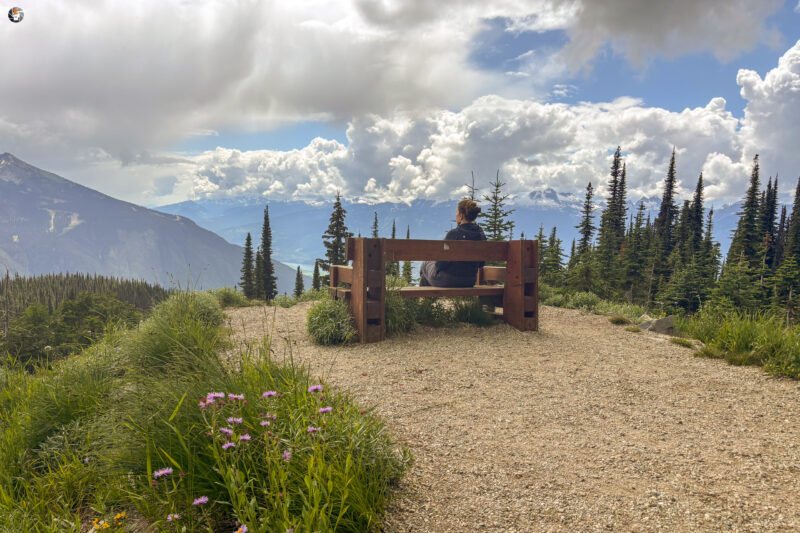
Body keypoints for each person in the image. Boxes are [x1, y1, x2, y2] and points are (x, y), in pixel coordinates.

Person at [419, 198, 486, 287]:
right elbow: (481, 264)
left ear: (461, 216)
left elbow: (440, 264)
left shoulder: (454, 234)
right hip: (470, 281)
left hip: (448, 280)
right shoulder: (481, 235)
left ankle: (421, 295)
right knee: (425, 277)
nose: (456, 215)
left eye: (456, 212)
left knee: (426, 263)